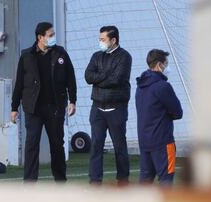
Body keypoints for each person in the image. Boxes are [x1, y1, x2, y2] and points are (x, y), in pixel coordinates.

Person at [11, 22, 77, 182]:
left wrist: (72, 101)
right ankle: (30, 182)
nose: (53, 37)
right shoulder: (26, 56)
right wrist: (14, 107)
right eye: (50, 35)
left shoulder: (60, 54)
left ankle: (60, 180)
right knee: (32, 144)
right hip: (33, 108)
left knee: (57, 144)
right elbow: (19, 83)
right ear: (40, 37)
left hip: (55, 107)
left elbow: (71, 78)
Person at [85, 25, 132, 185]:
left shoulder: (124, 57)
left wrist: (99, 78)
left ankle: (123, 180)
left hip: (116, 109)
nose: (100, 42)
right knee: (96, 146)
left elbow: (117, 79)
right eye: (100, 39)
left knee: (120, 146)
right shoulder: (96, 56)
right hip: (97, 108)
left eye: (103, 40)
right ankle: (95, 181)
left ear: (113, 40)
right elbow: (88, 76)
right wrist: (105, 75)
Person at [135, 49, 183, 185]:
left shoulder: (140, 86)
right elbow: (178, 112)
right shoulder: (163, 87)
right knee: (166, 180)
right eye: (166, 63)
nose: (167, 67)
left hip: (144, 140)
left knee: (145, 181)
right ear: (159, 65)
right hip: (162, 141)